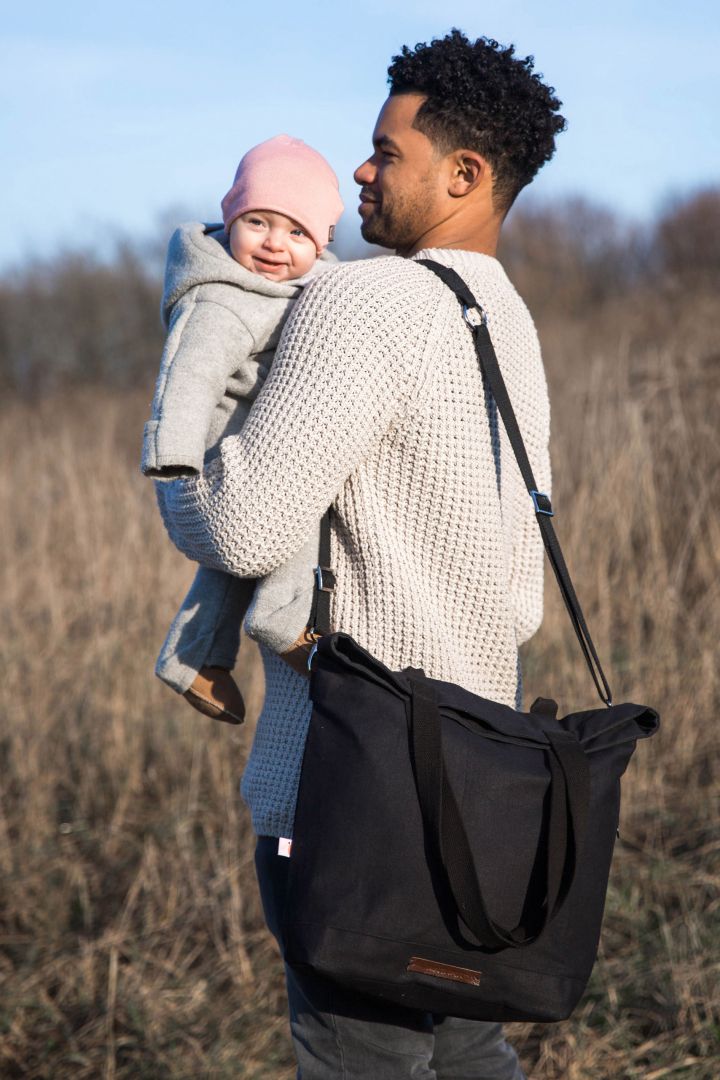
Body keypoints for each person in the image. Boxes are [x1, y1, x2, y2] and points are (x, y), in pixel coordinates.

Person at [156, 28, 565, 1080]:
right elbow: (520, 592)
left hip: (350, 793)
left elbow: (241, 526)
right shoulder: (512, 325)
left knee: (361, 1063)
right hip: (484, 780)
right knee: (470, 1051)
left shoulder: (358, 302)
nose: (361, 172)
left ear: (464, 174)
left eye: (388, 152)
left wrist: (178, 449)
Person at [141, 135, 343, 723]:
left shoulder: (313, 288)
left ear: (322, 242)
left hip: (258, 438)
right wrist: (175, 454)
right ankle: (285, 616)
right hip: (215, 449)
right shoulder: (224, 300)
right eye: (258, 222)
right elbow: (188, 375)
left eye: (298, 232)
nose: (276, 243)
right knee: (293, 511)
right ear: (231, 221)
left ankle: (195, 656)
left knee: (235, 558)